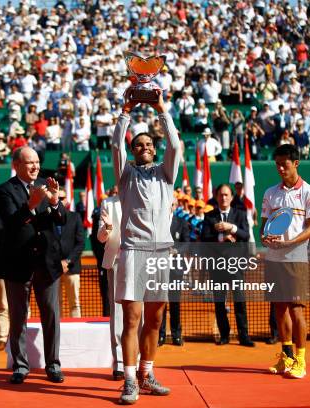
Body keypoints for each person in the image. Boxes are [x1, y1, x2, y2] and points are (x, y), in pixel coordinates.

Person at [112, 91, 182, 404]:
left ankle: (146, 373)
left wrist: (161, 109)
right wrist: (126, 111)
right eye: (139, 145)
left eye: (150, 144)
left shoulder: (166, 175)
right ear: (133, 151)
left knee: (155, 319)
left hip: (161, 254)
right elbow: (116, 145)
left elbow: (176, 144)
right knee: (132, 318)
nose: (145, 148)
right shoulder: (125, 175)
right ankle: (128, 380)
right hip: (133, 252)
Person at [0, 146, 67, 385]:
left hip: (47, 263)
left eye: (36, 161)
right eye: (29, 162)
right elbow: (10, 225)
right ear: (16, 165)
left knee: (51, 316)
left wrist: (55, 203)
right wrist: (31, 205)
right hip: (17, 264)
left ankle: (53, 365)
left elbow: (61, 219)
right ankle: (20, 366)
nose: (35, 166)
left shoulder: (47, 184)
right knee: (18, 317)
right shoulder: (4, 190)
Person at [261, 144, 310, 380]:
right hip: (273, 258)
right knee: (279, 308)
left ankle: (301, 360)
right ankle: (286, 357)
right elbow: (263, 227)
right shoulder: (269, 193)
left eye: (284, 164)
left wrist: (290, 242)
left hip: (296, 258)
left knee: (296, 310)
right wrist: (265, 237)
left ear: (296, 163)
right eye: (277, 165)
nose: (280, 168)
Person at [200, 184, 254, 347]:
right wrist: (221, 238)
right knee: (219, 302)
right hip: (217, 267)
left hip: (236, 266)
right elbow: (204, 239)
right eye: (221, 195)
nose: (223, 198)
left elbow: (245, 235)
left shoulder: (240, 214)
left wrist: (232, 228)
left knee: (240, 301)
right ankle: (224, 335)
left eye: (226, 195)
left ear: (231, 197)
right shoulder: (210, 216)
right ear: (216, 197)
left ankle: (244, 336)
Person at [97, 194, 126, 381]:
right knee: (117, 311)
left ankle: (138, 359)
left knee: (138, 310)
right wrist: (107, 228)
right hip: (116, 260)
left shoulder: (145, 198)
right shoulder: (108, 203)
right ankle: (120, 363)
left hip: (140, 261)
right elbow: (100, 237)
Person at [158, 201, 190, 347]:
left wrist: (176, 251)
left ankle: (177, 335)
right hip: (159, 268)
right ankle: (160, 335)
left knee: (175, 302)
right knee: (160, 303)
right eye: (167, 203)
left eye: (171, 204)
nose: (168, 206)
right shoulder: (157, 222)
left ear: (175, 206)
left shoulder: (182, 222)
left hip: (176, 268)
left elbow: (187, 243)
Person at [57, 191, 85, 318]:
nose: (59, 200)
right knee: (55, 304)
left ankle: (77, 336)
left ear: (66, 201)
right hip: (53, 269)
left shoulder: (76, 217)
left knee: (74, 303)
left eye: (62, 198)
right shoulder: (46, 219)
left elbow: (80, 244)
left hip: (71, 268)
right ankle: (56, 335)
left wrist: (67, 261)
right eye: (56, 197)